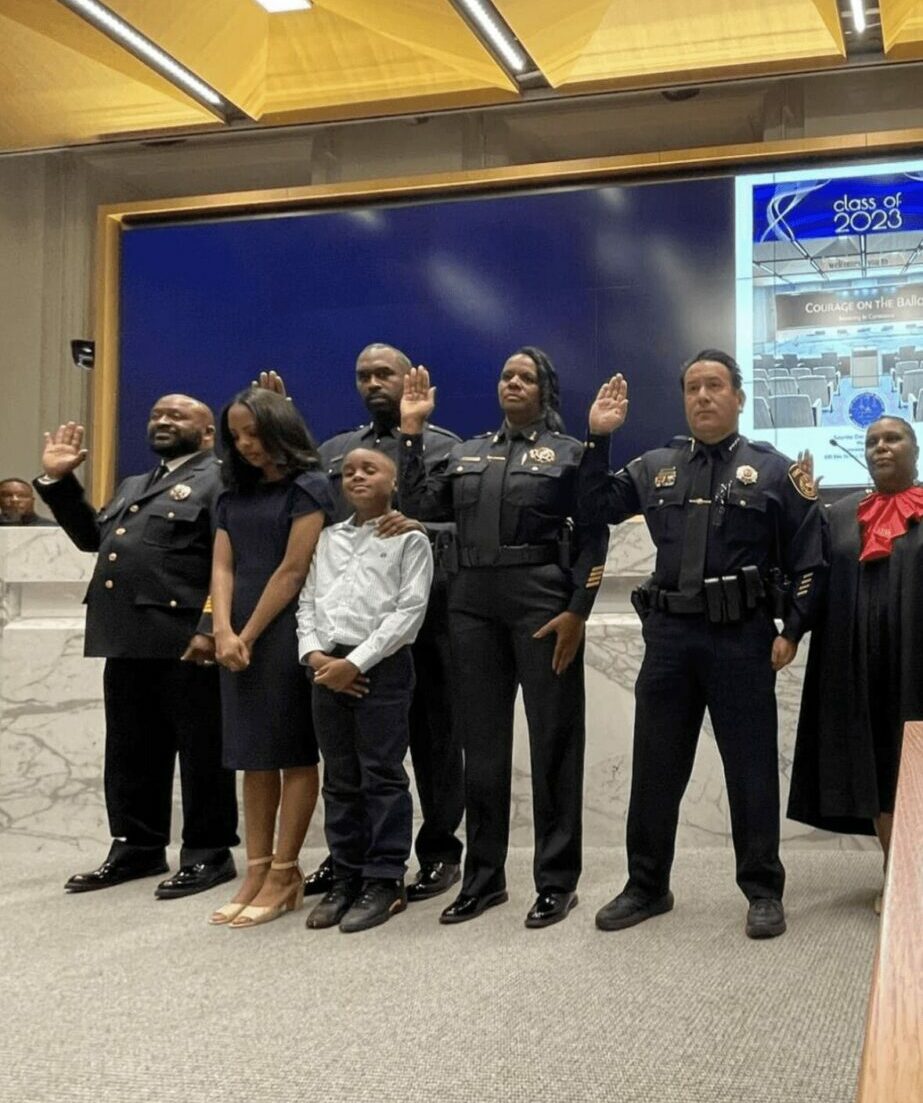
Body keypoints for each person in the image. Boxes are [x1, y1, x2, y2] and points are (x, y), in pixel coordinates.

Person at [577, 350, 827, 939]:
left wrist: (791, 628)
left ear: (739, 397)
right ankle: (646, 885)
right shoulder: (655, 465)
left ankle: (763, 890)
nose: (703, 396)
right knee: (655, 766)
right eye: (693, 387)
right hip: (668, 639)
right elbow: (592, 507)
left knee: (750, 770)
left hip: (741, 639)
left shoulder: (774, 471)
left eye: (715, 386)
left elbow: (810, 557)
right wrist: (597, 440)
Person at [398, 347, 610, 928]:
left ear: (545, 389)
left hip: (542, 605)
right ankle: (484, 879)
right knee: (482, 752)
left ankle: (557, 882)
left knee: (554, 743)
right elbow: (418, 503)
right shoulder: (468, 452)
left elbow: (594, 534)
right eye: (506, 375)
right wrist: (411, 431)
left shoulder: (569, 455)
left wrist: (579, 610)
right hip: (471, 608)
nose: (513, 383)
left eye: (526, 377)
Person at [34, 399, 238, 897]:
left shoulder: (221, 480)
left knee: (201, 751)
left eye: (177, 416)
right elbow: (93, 539)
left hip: (186, 638)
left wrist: (212, 625)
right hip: (126, 635)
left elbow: (230, 559)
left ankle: (209, 853)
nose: (163, 421)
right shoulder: (134, 484)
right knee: (130, 752)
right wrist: (61, 485)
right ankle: (137, 848)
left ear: (208, 432)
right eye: (156, 415)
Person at [298, 346, 464, 904]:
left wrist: (420, 515)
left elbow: (457, 525)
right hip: (349, 628)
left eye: (384, 374)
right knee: (354, 759)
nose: (373, 382)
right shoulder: (338, 449)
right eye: (363, 375)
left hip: (426, 619)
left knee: (434, 744)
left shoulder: (445, 446)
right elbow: (323, 527)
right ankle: (360, 859)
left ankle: (439, 852)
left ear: (410, 378)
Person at [207, 388, 333, 928]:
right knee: (252, 756)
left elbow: (292, 570)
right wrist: (221, 630)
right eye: (236, 436)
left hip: (285, 631)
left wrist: (250, 633)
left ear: (278, 429)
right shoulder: (230, 493)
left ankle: (286, 873)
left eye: (253, 434)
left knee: (293, 752)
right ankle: (255, 871)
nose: (245, 445)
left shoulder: (310, 488)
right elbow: (223, 567)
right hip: (234, 634)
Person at [788, 417, 923, 910]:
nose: (881, 447)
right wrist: (800, 509)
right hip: (858, 668)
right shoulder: (838, 515)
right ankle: (897, 872)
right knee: (877, 766)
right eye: (872, 441)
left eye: (893, 438)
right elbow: (808, 579)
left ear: (914, 446)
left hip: (917, 664)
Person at [296, 448, 433, 933]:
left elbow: (407, 613)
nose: (356, 476)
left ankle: (384, 878)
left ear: (392, 482)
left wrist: (354, 663)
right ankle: (346, 874)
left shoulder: (409, 540)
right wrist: (316, 656)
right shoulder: (329, 539)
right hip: (325, 667)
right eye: (348, 471)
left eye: (369, 469)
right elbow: (308, 602)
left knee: (381, 772)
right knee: (339, 776)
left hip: (381, 668)